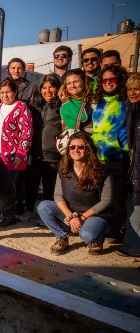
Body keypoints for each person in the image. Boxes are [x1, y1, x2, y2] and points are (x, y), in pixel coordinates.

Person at [37, 132, 113, 255]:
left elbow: (107, 200)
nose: (76, 150)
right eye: (72, 147)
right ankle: (62, 237)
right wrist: (70, 216)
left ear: (88, 149)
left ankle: (97, 237)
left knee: (87, 235)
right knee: (43, 206)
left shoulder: (101, 171)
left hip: (95, 215)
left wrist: (82, 218)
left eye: (80, 147)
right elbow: (58, 195)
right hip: (72, 213)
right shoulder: (64, 169)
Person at [0, 78, 33, 226]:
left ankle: (9, 215)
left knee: (6, 186)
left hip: (11, 155)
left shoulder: (21, 107)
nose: (5, 95)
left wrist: (21, 153)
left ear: (15, 92)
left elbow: (27, 132)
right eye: (2, 92)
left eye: (8, 92)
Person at [92, 65, 129, 239]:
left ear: (120, 81)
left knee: (116, 195)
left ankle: (117, 230)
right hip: (98, 156)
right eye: (104, 80)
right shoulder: (99, 101)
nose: (107, 83)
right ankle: (103, 228)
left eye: (112, 79)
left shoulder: (126, 102)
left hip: (117, 155)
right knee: (101, 195)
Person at [24, 74, 62, 220]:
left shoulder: (61, 107)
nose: (47, 90)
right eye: (44, 87)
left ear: (57, 88)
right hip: (35, 153)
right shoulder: (35, 107)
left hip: (53, 155)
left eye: (51, 87)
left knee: (50, 186)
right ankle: (29, 210)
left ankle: (47, 216)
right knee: (31, 184)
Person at [117, 74, 140, 257]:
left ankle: (134, 246)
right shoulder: (131, 109)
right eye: (130, 89)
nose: (132, 92)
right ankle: (133, 245)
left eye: (137, 89)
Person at [60, 69, 93, 133]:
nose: (72, 86)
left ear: (84, 82)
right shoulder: (65, 107)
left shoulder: (95, 100)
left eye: (76, 82)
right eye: (69, 83)